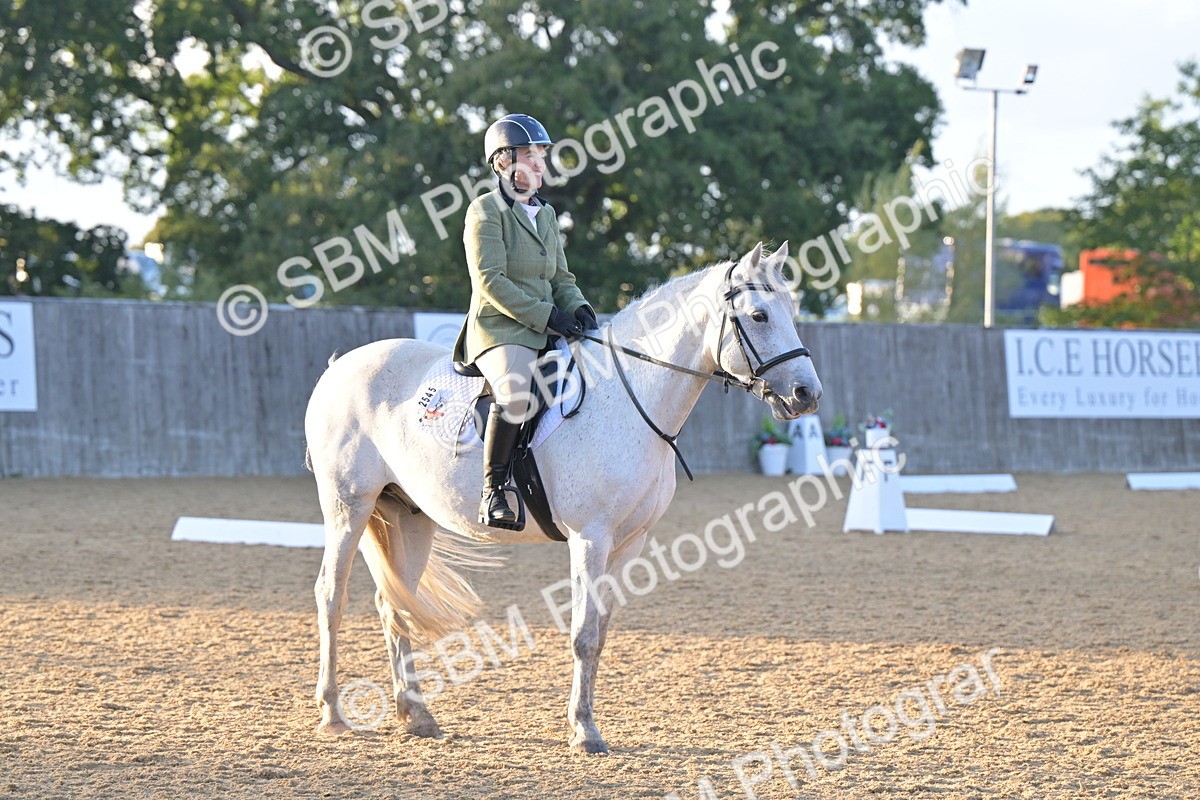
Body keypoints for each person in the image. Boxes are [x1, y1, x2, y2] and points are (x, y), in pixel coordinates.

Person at [452, 113, 599, 528]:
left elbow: (560, 278)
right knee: (516, 394)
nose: (540, 165)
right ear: (502, 162)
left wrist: (579, 308)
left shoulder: (547, 215)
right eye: (530, 156)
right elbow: (490, 281)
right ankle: (494, 489)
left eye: (543, 156)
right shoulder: (485, 211)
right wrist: (547, 316)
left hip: (548, 323)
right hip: (500, 328)